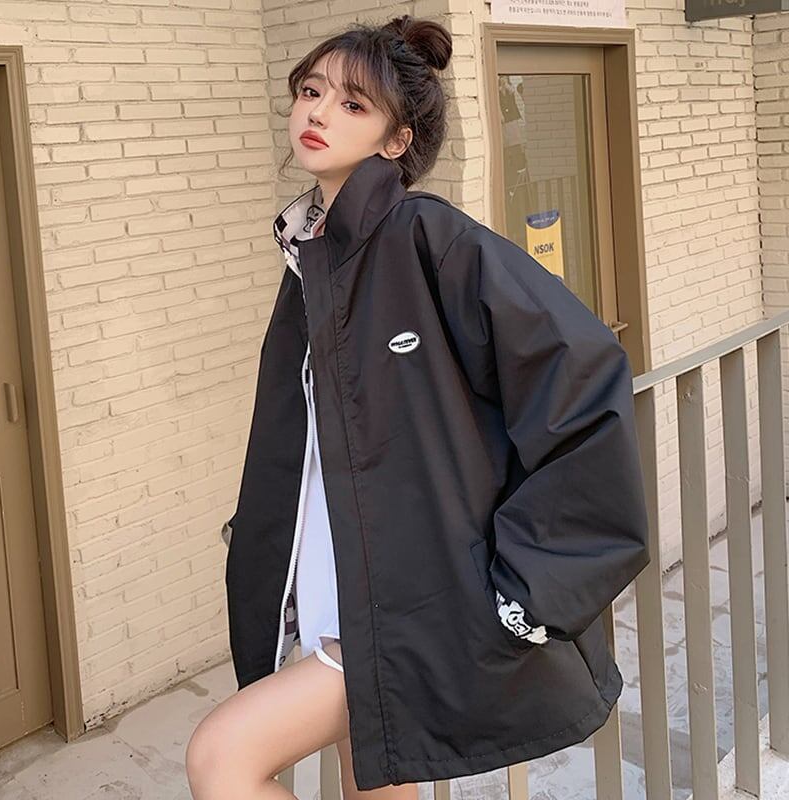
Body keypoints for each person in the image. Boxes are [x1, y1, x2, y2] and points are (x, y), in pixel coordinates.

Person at [186, 14, 650, 800]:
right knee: (374, 779)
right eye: (310, 91)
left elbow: (584, 379)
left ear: (397, 140)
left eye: (353, 104)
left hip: (411, 602)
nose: (318, 112)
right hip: (344, 585)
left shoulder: (429, 239)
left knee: (222, 757)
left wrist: (530, 591)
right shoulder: (313, 259)